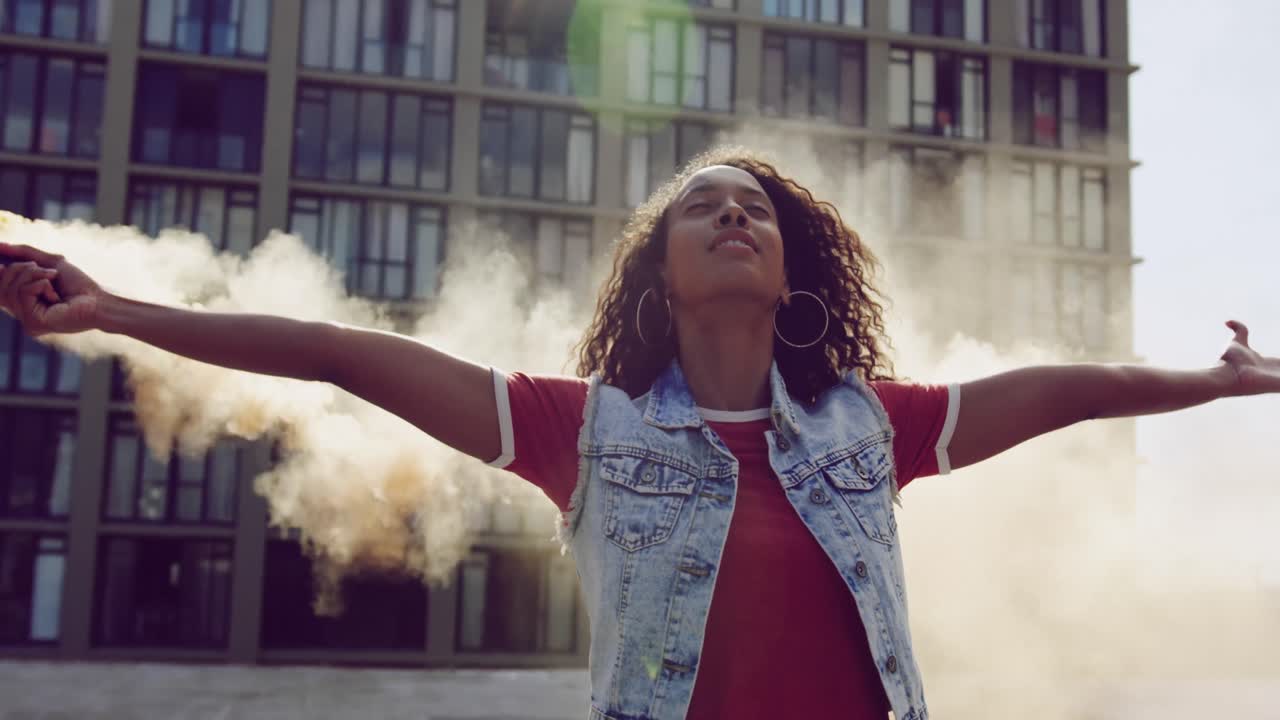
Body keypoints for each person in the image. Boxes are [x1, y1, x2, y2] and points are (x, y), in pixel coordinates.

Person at [1, 148, 1276, 720]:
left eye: (757, 214)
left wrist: (1209, 383)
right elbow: (336, 355)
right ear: (660, 273)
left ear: (789, 274)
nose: (734, 218)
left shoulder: (867, 427)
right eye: (702, 209)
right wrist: (115, 311)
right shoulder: (582, 431)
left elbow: (1067, 386)